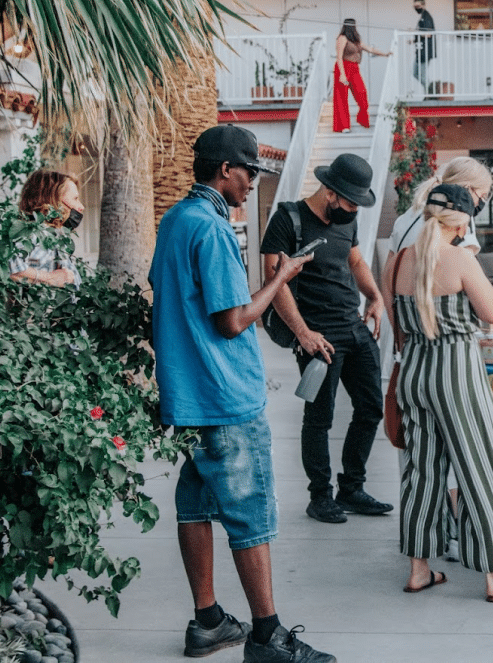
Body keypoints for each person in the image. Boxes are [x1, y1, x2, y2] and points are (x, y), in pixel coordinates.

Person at [149, 124, 334, 663]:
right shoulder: (210, 226)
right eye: (250, 171)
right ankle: (267, 636)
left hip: (189, 393)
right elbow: (233, 320)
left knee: (196, 506)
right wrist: (284, 275)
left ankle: (208, 622)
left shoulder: (176, 219)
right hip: (225, 395)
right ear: (225, 169)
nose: (254, 181)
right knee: (251, 515)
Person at [381, 184, 493, 603]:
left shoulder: (398, 260)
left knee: (421, 471)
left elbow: (394, 314)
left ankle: (418, 570)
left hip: (415, 370)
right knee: (481, 469)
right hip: (457, 374)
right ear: (464, 220)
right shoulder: (459, 259)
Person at [260, 153, 393, 524]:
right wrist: (303, 333)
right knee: (319, 417)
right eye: (351, 201)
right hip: (317, 335)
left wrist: (375, 296)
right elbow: (275, 281)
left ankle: (352, 488)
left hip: (353, 326)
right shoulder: (288, 219)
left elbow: (355, 262)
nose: (354, 210)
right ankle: (320, 496)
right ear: (331, 192)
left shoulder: (344, 220)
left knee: (370, 408)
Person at [388, 157, 493, 257]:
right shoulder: (458, 226)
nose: (478, 204)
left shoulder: (407, 216)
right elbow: (467, 270)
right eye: (481, 196)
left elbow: (388, 271)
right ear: (467, 189)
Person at [9, 170, 85, 288]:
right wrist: (50, 278)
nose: (81, 207)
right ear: (54, 201)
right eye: (75, 199)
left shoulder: (55, 235)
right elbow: (11, 268)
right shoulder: (33, 235)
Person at [333, 18, 391, 134]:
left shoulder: (356, 41)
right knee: (342, 98)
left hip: (354, 69)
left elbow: (370, 49)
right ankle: (343, 126)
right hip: (343, 67)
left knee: (362, 93)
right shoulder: (342, 38)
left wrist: (385, 54)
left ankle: (362, 118)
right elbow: (339, 57)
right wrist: (343, 75)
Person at [412, 0, 436, 95]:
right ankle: (430, 91)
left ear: (423, 5)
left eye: (418, 6)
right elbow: (422, 35)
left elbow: (428, 34)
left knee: (422, 75)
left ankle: (430, 94)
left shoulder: (426, 17)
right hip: (420, 50)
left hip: (425, 51)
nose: (416, 8)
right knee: (415, 73)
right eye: (414, 6)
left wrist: (415, 33)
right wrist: (413, 40)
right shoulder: (422, 17)